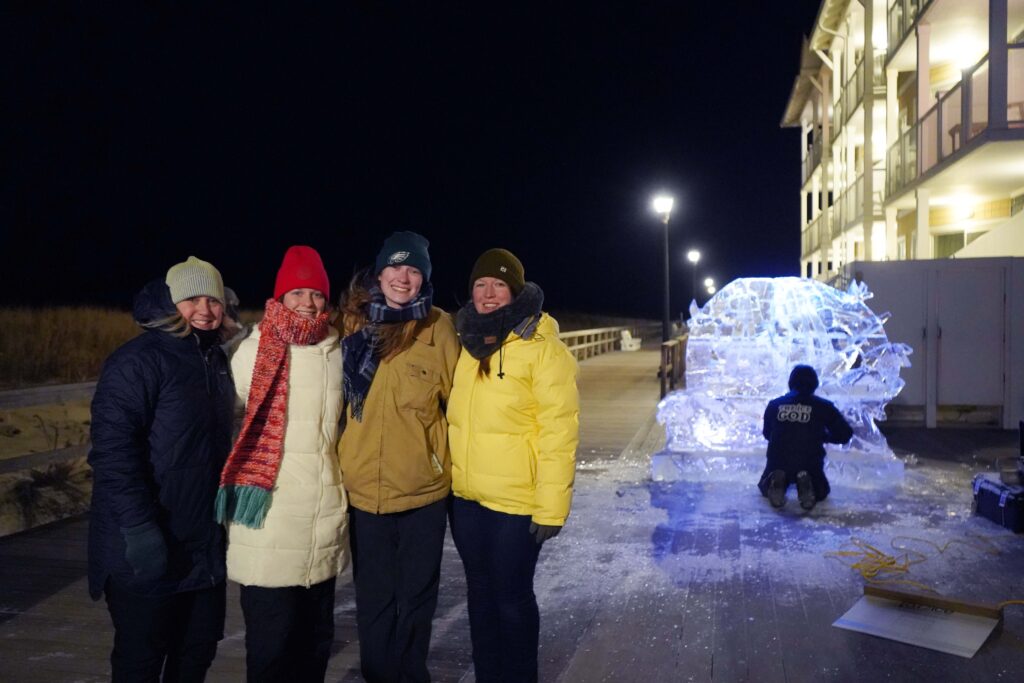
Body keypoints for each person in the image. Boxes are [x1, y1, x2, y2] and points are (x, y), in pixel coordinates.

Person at [88, 256, 234, 682]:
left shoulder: (216, 360)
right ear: (172, 304)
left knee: (196, 654)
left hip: (201, 545)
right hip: (148, 541)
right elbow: (115, 453)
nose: (205, 309)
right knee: (141, 660)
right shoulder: (137, 361)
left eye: (214, 299)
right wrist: (138, 529)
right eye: (192, 299)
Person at [446, 248, 580, 683]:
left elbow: (559, 431)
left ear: (515, 291)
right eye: (480, 285)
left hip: (517, 503)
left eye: (498, 285)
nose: (487, 294)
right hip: (466, 499)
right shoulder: (465, 339)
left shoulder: (541, 347)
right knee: (480, 596)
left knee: (511, 597)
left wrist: (550, 508)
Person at [216, 246, 348, 682]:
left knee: (314, 647)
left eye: (315, 293)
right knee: (271, 650)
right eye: (296, 292)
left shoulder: (338, 352)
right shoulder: (252, 351)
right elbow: (222, 421)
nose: (307, 303)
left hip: (322, 515)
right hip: (268, 517)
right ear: (280, 297)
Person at [336, 231, 460, 683]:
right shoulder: (351, 323)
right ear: (379, 271)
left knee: (415, 599)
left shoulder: (438, 327)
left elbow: (461, 406)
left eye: (414, 270)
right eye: (395, 267)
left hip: (422, 493)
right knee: (372, 599)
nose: (403, 278)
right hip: (363, 491)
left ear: (424, 278)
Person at [759, 364, 853, 511]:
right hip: (809, 460)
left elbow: (766, 434)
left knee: (764, 486)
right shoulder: (824, 406)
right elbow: (845, 434)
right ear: (814, 384)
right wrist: (824, 437)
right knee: (821, 491)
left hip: (778, 460)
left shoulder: (774, 404)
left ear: (791, 383)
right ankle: (807, 482)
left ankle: (775, 480)